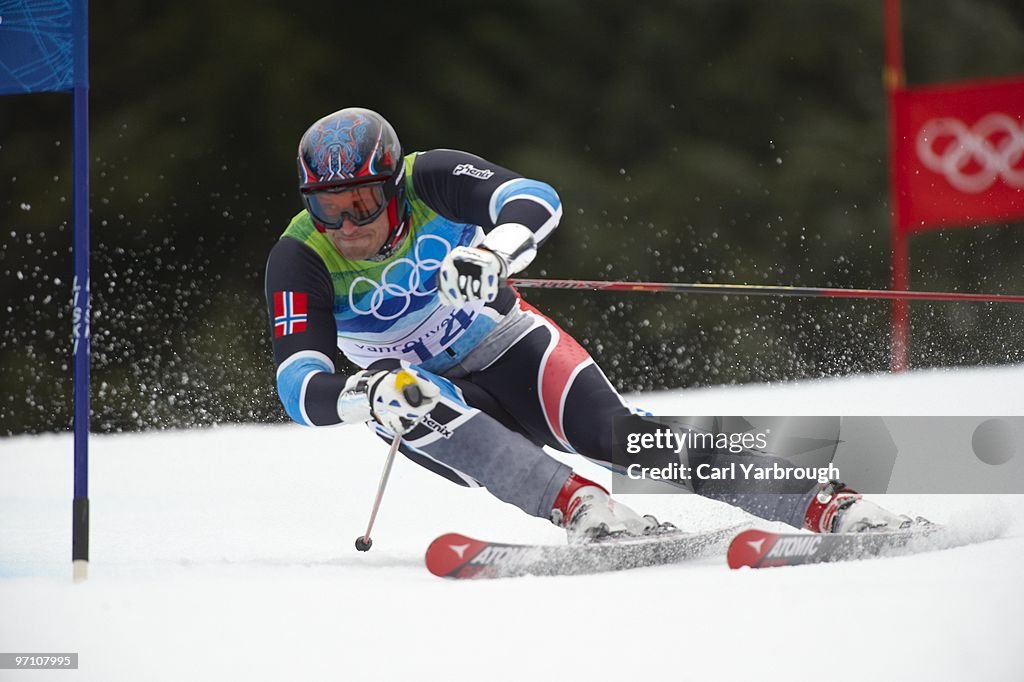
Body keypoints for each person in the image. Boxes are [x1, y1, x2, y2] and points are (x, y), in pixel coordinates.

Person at [264, 107, 909, 543]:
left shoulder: (430, 177)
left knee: (619, 437)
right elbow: (299, 386)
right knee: (402, 396)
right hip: (429, 397)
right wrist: (363, 393)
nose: (348, 226)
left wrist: (494, 252)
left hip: (505, 343)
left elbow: (535, 199)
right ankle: (583, 507)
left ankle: (824, 499)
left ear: (392, 187)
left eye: (363, 203)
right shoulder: (299, 256)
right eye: (329, 209)